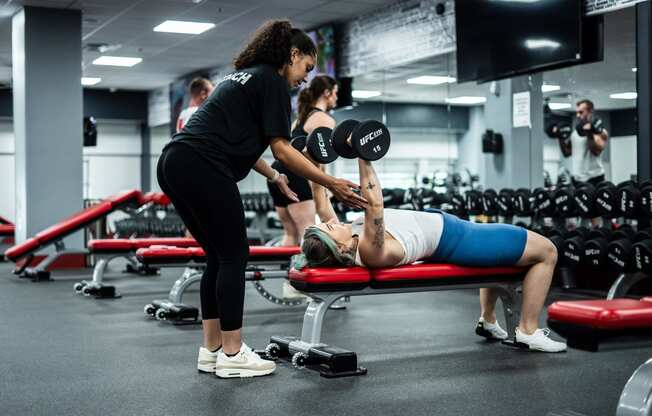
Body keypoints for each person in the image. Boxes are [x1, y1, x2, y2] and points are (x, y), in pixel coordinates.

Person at [157, 20, 366, 379]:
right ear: (292, 54)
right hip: (203, 164)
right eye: (306, 68)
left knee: (218, 258)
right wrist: (332, 182)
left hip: (174, 161)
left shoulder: (242, 77)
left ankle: (212, 350)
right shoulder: (271, 81)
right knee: (235, 256)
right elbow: (283, 148)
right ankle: (234, 353)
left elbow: (244, 141)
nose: (304, 77)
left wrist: (274, 176)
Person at [298, 158, 567, 353]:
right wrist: (362, 153)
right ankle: (528, 331)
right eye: (329, 229)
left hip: (452, 233)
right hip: (459, 239)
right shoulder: (369, 249)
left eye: (326, 224)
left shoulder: (351, 235)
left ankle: (488, 319)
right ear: (340, 249)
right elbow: (375, 202)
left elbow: (321, 201)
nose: (331, 223)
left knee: (497, 259)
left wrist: (316, 164)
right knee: (547, 251)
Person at [266, 75, 338, 299]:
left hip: (277, 172)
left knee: (290, 232)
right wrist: (325, 187)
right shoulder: (323, 119)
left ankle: (289, 283)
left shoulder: (301, 118)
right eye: (335, 92)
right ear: (326, 93)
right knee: (307, 230)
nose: (337, 97)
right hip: (296, 173)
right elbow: (321, 157)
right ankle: (300, 283)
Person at [565, 99, 609, 186]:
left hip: (594, 179)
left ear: (590, 112)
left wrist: (589, 133)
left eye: (581, 112)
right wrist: (560, 137)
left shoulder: (601, 132)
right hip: (577, 180)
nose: (577, 115)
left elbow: (596, 151)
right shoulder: (574, 134)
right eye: (577, 112)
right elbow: (567, 153)